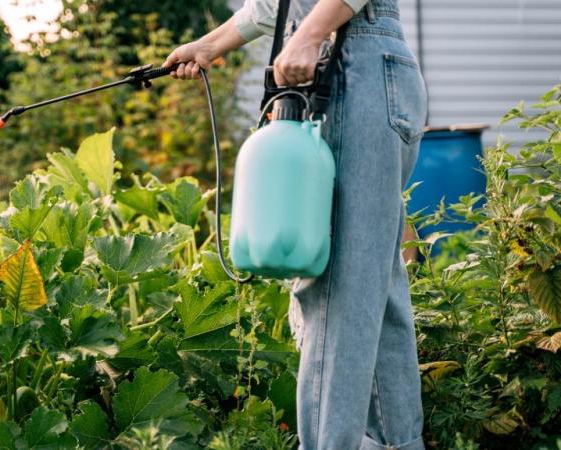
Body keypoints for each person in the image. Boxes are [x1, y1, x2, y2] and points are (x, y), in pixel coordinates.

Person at [163, 0, 427, 449]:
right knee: (372, 288)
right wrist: (207, 46)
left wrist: (310, 33)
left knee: (337, 288)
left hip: (353, 62)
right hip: (360, 64)